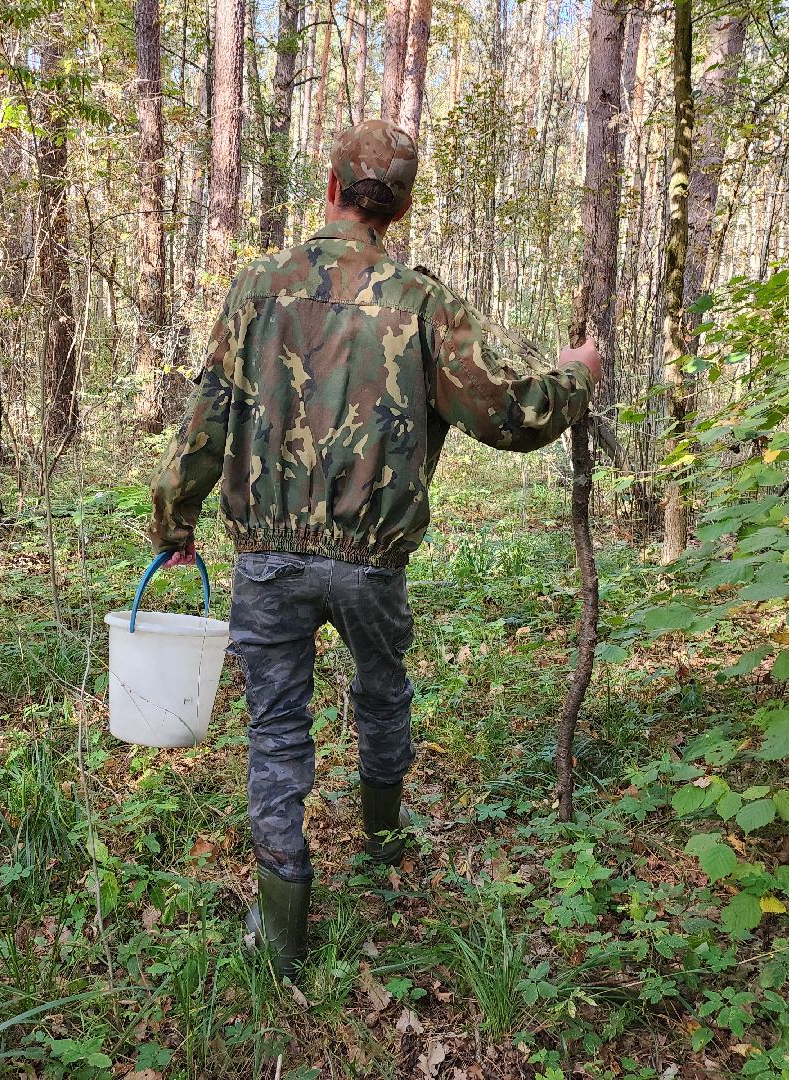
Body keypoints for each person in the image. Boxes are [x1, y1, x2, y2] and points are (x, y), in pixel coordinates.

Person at [147, 119, 603, 978]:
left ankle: (282, 933)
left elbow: (204, 422)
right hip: (371, 563)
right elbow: (512, 414)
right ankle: (386, 849)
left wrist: (175, 523)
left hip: (268, 563)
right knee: (383, 694)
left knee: (277, 732)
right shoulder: (421, 303)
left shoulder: (256, 291)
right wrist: (579, 370)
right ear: (399, 205)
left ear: (331, 187)